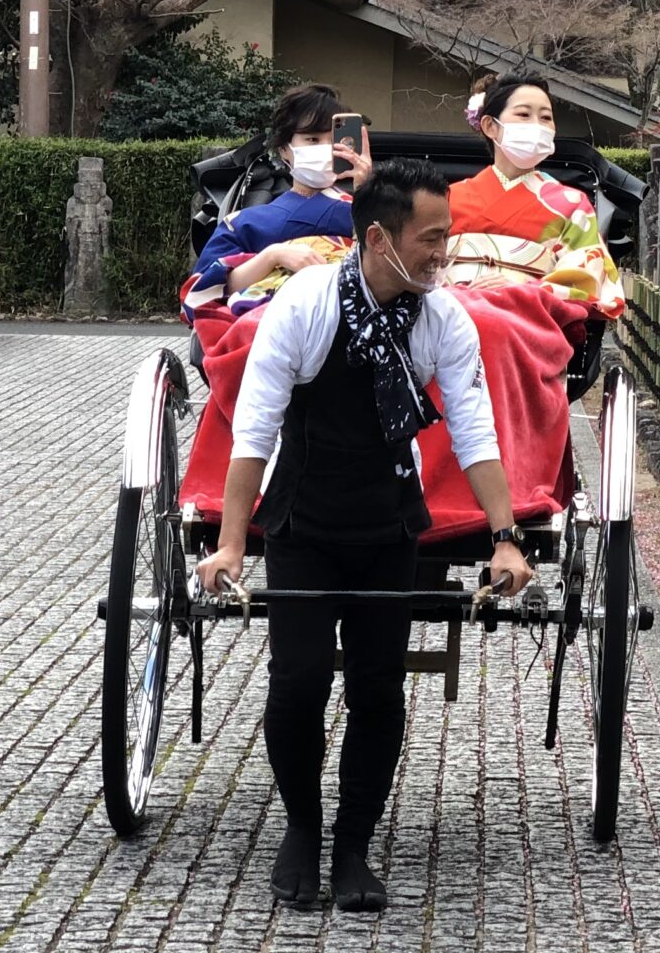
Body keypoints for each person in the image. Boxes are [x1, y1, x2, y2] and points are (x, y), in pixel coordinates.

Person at [194, 159, 533, 912]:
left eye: (447, 236)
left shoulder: (440, 315)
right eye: (431, 238)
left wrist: (508, 537)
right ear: (378, 238)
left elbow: (475, 429)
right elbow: (255, 427)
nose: (443, 253)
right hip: (304, 521)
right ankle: (303, 833)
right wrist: (231, 541)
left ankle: (353, 848)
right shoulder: (307, 305)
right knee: (301, 680)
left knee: (378, 688)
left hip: (387, 522)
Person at [449, 75, 626, 376]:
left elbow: (587, 278)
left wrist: (521, 292)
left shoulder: (571, 203)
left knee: (492, 328)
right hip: (451, 317)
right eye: (523, 114)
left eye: (546, 118)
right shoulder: (448, 198)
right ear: (491, 126)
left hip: (531, 323)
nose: (537, 125)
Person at [183, 85, 371, 318]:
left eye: (333, 141)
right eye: (312, 139)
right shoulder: (242, 223)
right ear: (284, 149)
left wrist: (367, 193)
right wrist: (273, 255)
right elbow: (199, 295)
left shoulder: (369, 211)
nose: (324, 148)